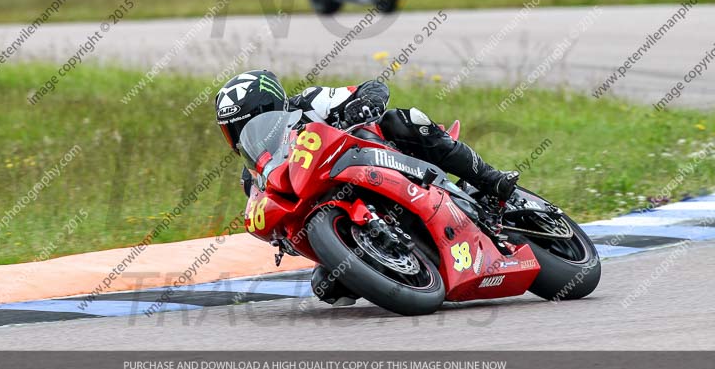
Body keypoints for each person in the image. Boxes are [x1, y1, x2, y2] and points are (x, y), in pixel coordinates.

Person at [215, 70, 519, 304]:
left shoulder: (309, 102)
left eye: (251, 120)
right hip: (335, 206)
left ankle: (490, 180)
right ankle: (393, 264)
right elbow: (279, 224)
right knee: (327, 287)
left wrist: (362, 104)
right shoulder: (254, 176)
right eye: (235, 129)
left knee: (403, 120)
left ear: (273, 105)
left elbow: (373, 87)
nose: (245, 133)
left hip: (380, 159)